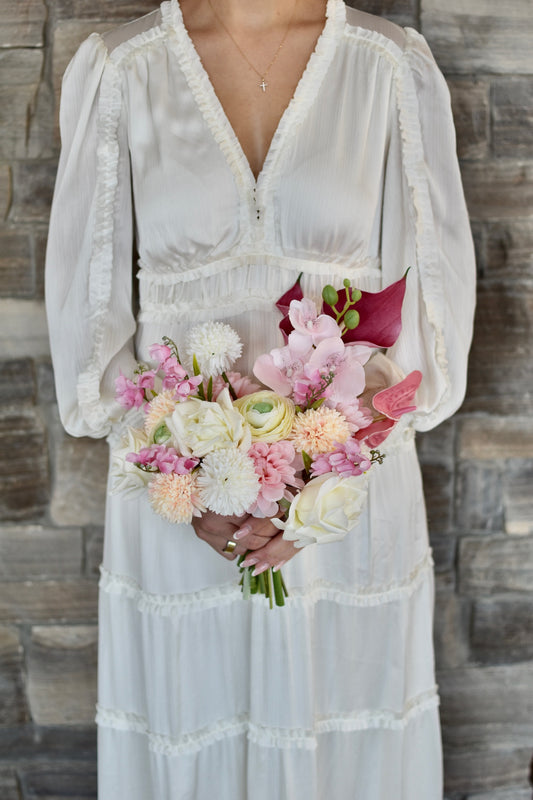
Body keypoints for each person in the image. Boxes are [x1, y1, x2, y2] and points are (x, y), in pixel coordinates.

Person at [45, 0, 476, 797]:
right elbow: (90, 306)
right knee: (189, 720)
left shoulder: (387, 65)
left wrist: (323, 482)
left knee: (339, 719)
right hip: (176, 500)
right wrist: (177, 475)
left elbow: (431, 302)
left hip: (349, 495)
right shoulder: (122, 67)